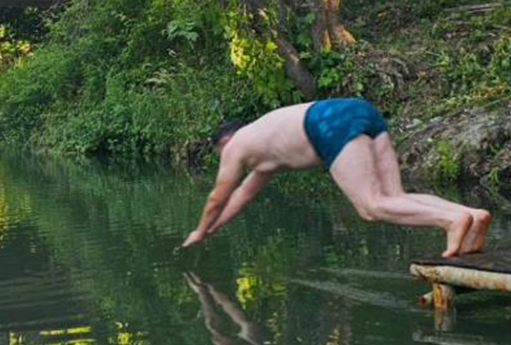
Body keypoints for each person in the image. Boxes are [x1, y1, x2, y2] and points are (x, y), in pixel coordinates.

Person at [181, 99, 491, 257]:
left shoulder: (236, 147)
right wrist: (211, 230)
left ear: (225, 142)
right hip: (358, 109)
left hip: (327, 124)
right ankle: (470, 216)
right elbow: (242, 197)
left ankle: (450, 222)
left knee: (370, 207)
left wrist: (199, 229)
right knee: (394, 197)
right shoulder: (262, 150)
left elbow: (219, 196)